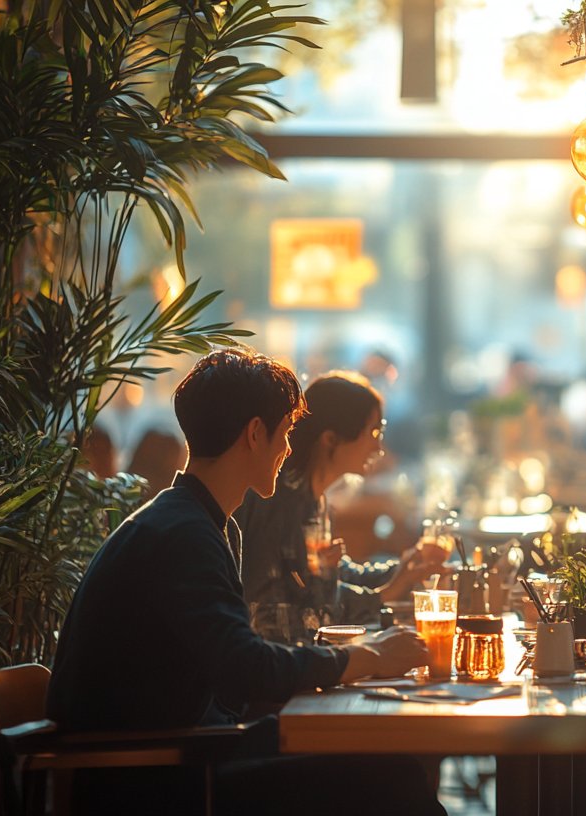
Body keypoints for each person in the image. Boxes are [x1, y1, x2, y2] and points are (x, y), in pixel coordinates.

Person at [46, 348, 444, 816]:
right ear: (256, 433)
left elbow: (235, 666)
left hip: (192, 750)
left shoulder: (197, 521)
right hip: (157, 779)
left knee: (383, 758)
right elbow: (246, 664)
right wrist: (363, 657)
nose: (290, 449)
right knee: (387, 776)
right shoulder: (183, 534)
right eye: (287, 433)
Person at [234, 371, 443, 631]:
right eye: (373, 432)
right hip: (279, 661)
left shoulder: (313, 499)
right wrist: (385, 594)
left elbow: (336, 576)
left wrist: (404, 568)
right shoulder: (276, 498)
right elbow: (288, 604)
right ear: (330, 439)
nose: (378, 448)